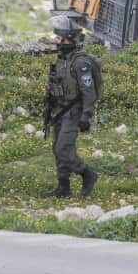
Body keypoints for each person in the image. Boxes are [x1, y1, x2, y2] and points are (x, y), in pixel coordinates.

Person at [42, 14, 101, 198]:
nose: (56, 41)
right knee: (57, 149)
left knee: (63, 149)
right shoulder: (62, 59)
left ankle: (87, 174)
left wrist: (86, 116)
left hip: (73, 112)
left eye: (59, 38)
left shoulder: (80, 62)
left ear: (68, 39)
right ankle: (63, 187)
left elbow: (89, 91)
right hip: (60, 111)